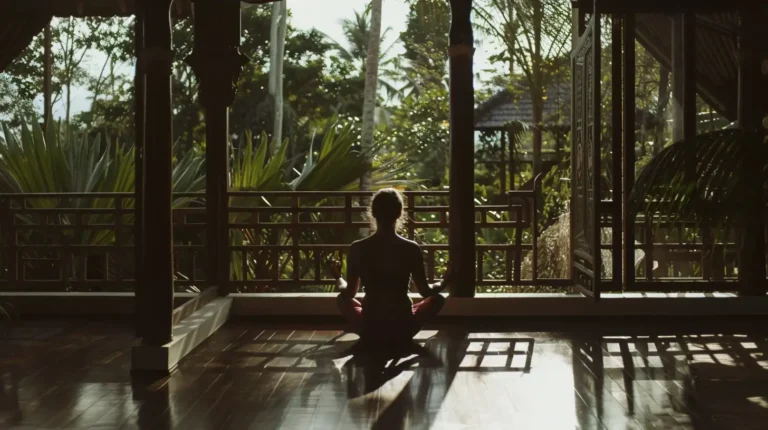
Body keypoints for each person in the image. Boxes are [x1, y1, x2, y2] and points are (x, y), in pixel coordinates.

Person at [331, 188, 453, 345]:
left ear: (373, 213)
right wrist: (445, 280)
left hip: (370, 325)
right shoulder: (411, 248)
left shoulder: (358, 248)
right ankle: (400, 334)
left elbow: (348, 293)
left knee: (342, 299)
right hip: (403, 325)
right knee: (438, 299)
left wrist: (338, 277)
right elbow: (426, 291)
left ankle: (370, 333)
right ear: (400, 212)